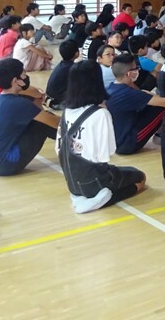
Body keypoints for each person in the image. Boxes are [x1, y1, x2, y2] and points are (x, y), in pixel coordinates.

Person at [56, 61, 147, 212]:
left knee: (125, 171)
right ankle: (102, 199)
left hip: (72, 181)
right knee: (140, 177)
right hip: (95, 180)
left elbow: (58, 148)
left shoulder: (66, 111)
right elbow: (106, 155)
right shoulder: (100, 113)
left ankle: (80, 197)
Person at [0, 58, 60, 176]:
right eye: (24, 74)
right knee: (44, 124)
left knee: (43, 120)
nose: (26, 77)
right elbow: (55, 122)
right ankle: (78, 147)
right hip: (6, 163)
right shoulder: (18, 104)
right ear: (16, 81)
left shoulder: (3, 96)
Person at [45, 39, 82, 110]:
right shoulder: (73, 68)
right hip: (59, 103)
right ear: (77, 53)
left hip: (51, 100)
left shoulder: (62, 64)